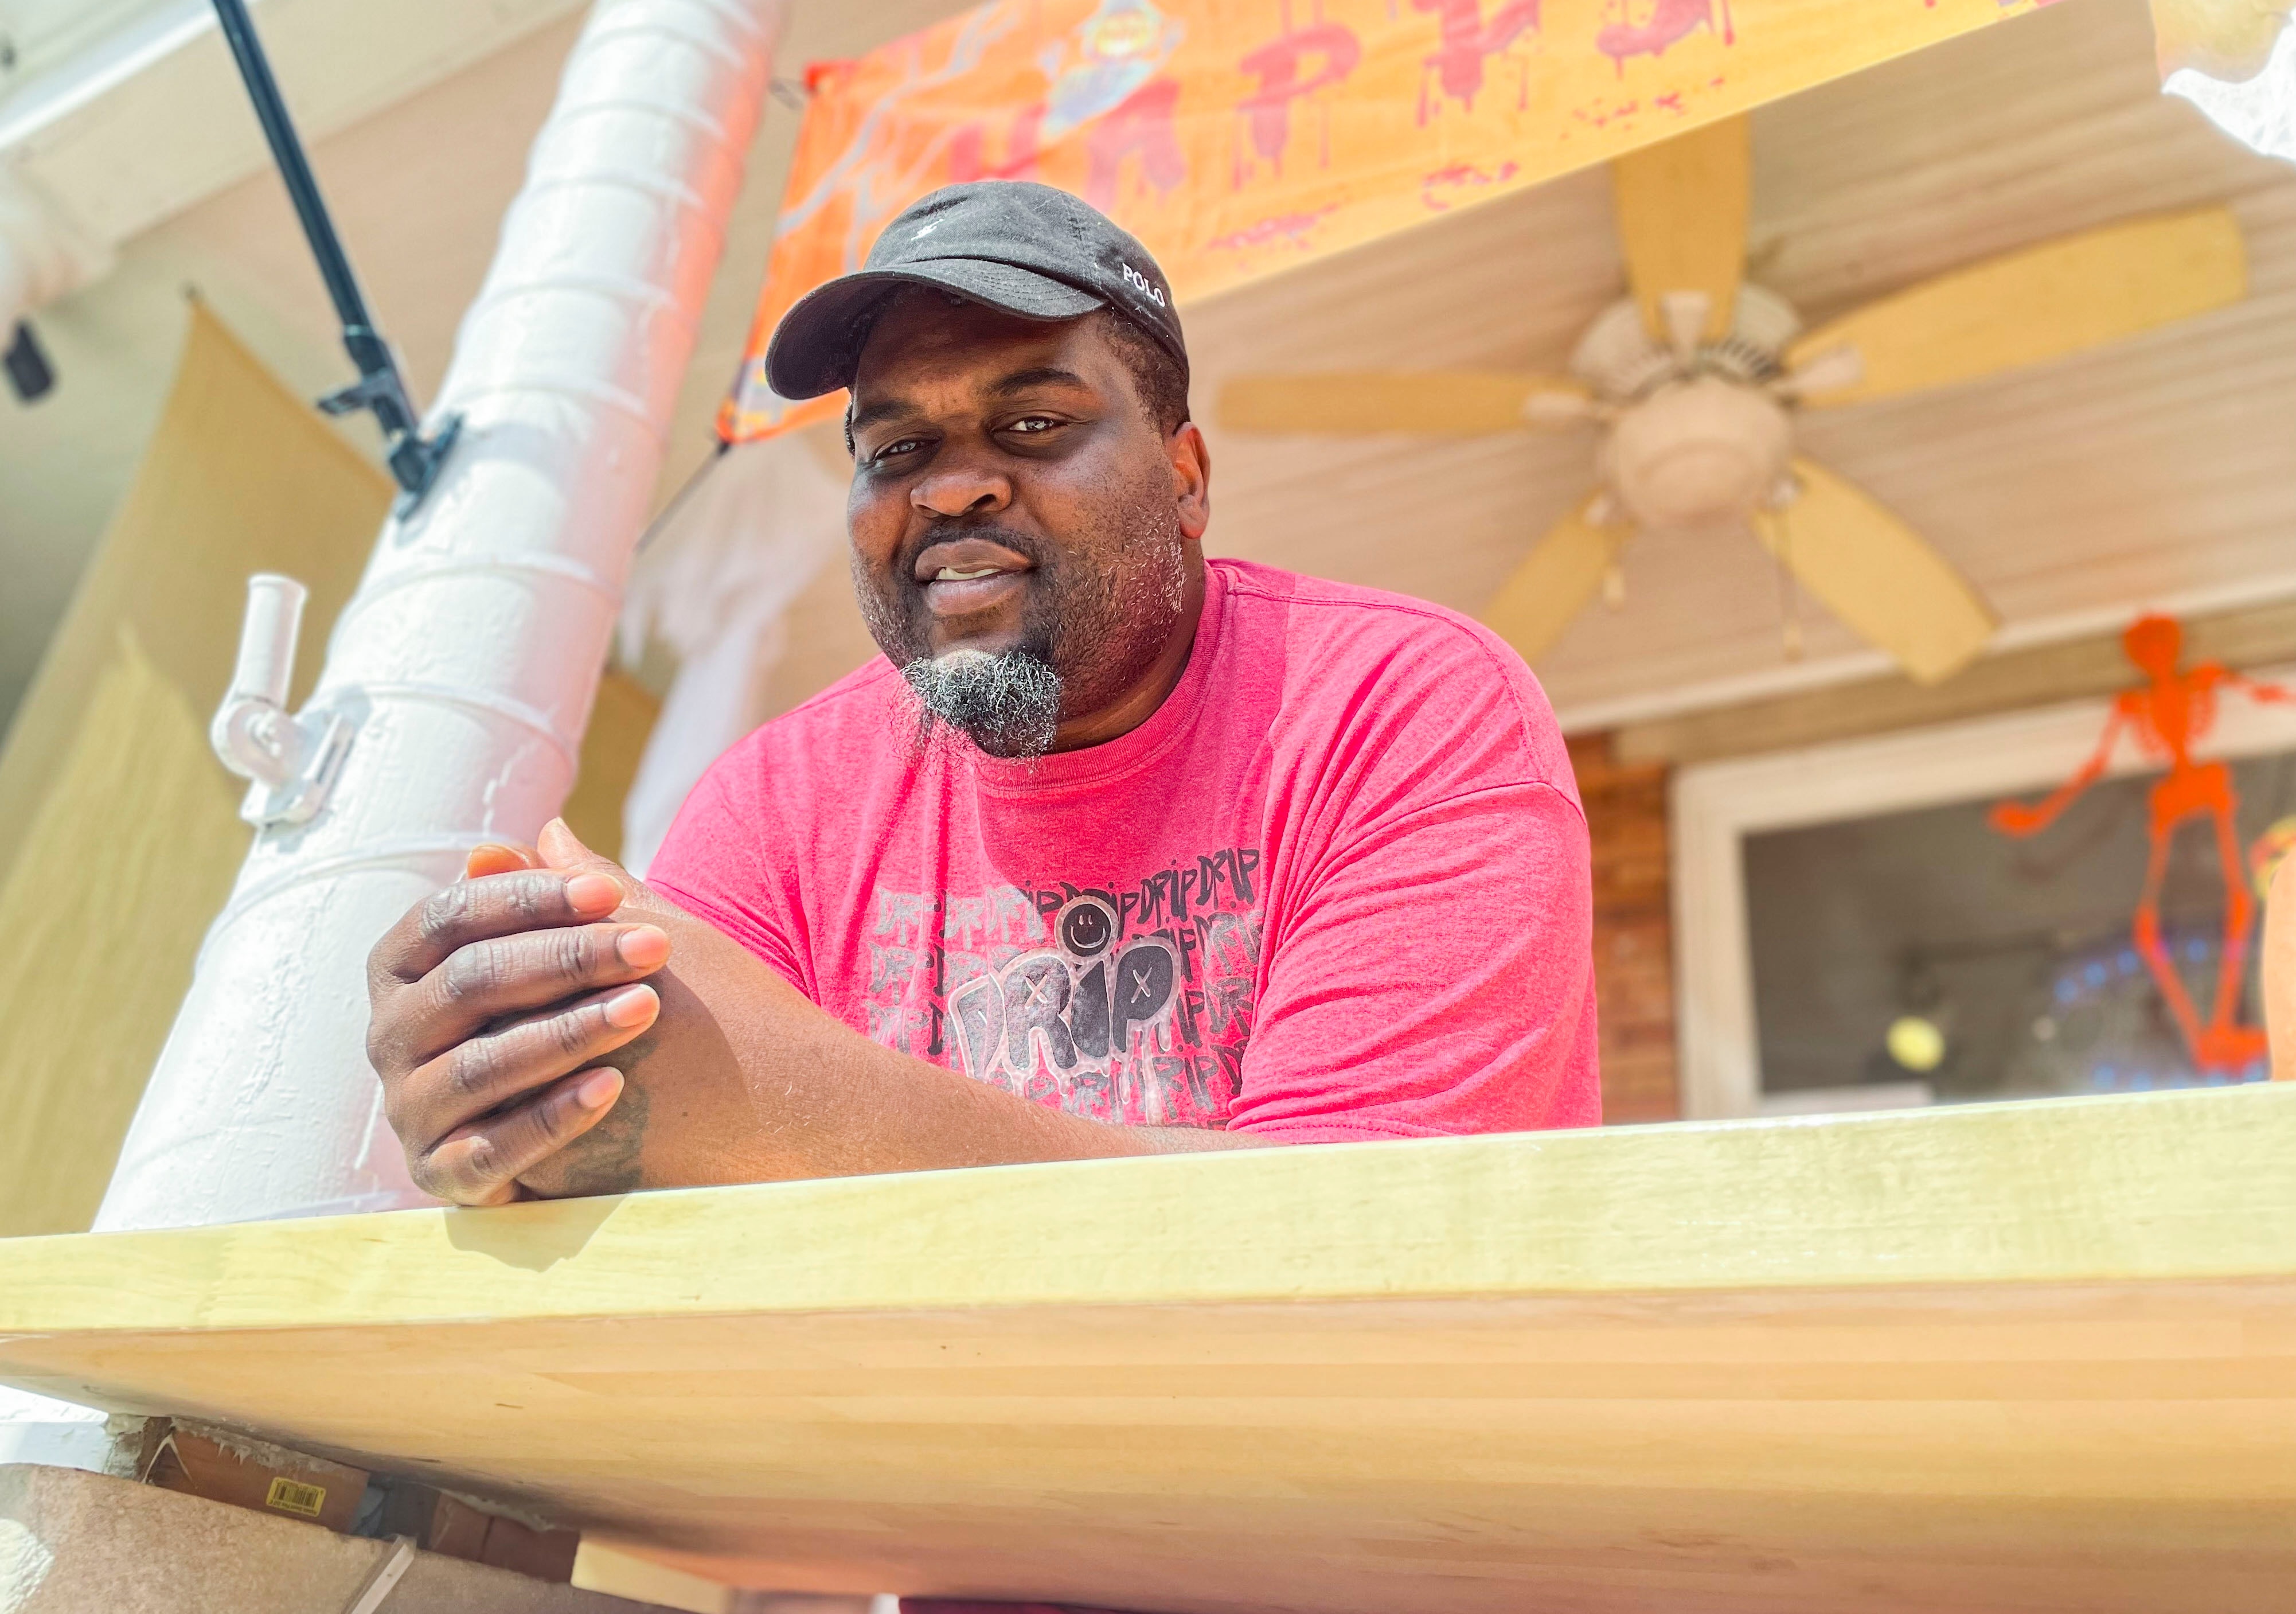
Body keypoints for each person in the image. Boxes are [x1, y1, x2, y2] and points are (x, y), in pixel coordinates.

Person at [365, 178, 1599, 1218]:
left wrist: (776, 1103)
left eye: (1031, 421)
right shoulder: (773, 803)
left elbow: (1368, 1239)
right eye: (893, 451)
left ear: (1184, 476)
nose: (952, 491)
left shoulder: (1398, 704)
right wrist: (518, 1102)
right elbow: (670, 1188)